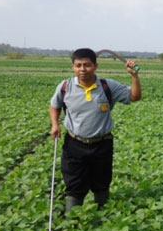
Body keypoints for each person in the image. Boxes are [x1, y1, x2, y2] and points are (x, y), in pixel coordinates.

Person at [49, 48, 141, 212]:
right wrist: (55, 124)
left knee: (102, 181)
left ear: (95, 66)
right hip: (74, 143)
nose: (82, 69)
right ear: (73, 67)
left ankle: (102, 214)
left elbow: (134, 96)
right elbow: (54, 106)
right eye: (78, 65)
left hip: (102, 143)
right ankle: (73, 219)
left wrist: (134, 76)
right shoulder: (65, 87)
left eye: (87, 65)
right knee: (74, 182)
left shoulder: (107, 86)